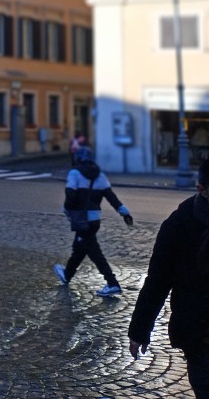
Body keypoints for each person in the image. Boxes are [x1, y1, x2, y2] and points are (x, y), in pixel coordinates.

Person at [128, 158, 209, 396]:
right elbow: (157, 280)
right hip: (200, 335)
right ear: (201, 189)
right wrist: (139, 329)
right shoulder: (179, 225)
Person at [52, 146, 133, 297]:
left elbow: (70, 196)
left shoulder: (74, 173)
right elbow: (111, 198)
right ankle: (67, 274)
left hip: (82, 220)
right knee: (79, 247)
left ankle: (112, 283)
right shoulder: (100, 175)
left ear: (78, 158)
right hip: (94, 220)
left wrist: (66, 210)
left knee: (95, 253)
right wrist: (124, 212)